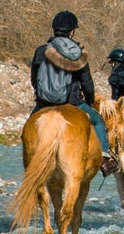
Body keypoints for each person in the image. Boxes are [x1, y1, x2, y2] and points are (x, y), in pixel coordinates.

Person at [29, 10, 109, 153]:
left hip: (44, 103)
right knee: (98, 122)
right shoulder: (79, 53)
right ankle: (105, 159)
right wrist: (90, 101)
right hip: (72, 102)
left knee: (27, 130)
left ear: (54, 30)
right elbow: (87, 83)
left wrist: (43, 96)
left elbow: (35, 79)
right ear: (72, 32)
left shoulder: (41, 51)